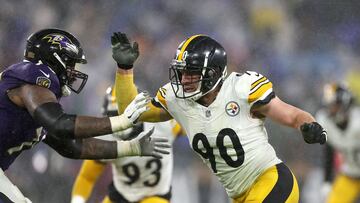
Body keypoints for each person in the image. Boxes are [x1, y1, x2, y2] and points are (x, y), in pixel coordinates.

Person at [111, 32, 327, 203]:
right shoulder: (176, 100)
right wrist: (124, 71)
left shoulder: (242, 89)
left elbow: (291, 115)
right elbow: (131, 113)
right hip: (238, 196)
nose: (184, 79)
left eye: (192, 72)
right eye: (182, 72)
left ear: (213, 73)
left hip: (271, 181)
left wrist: (309, 125)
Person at [0, 28, 170, 203]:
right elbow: (60, 124)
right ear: (55, 59)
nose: (74, 71)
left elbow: (72, 146)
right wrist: (122, 121)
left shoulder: (37, 99)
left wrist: (132, 148)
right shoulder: (33, 76)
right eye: (71, 64)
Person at [71, 86, 183, 203]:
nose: (120, 123)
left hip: (155, 196)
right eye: (114, 117)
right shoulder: (106, 137)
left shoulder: (164, 125)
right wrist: (77, 200)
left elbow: (192, 128)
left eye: (125, 115)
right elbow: (87, 177)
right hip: (121, 196)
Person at [316, 83, 360, 203]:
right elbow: (328, 152)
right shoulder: (326, 122)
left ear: (344, 104)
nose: (331, 109)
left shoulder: (357, 122)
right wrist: (327, 180)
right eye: (329, 105)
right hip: (349, 175)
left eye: (334, 105)